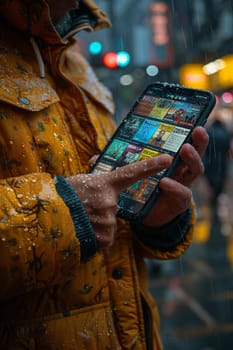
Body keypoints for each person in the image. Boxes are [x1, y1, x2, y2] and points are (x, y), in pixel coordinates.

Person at [0, 0, 209, 349]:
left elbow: (107, 208)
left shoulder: (76, 62)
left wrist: (151, 221)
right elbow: (80, 208)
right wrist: (64, 214)